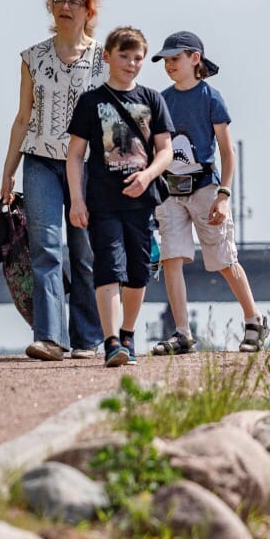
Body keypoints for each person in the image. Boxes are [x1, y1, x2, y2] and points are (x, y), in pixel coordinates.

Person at [0, 0, 107, 362]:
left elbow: (114, 121)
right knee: (44, 247)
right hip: (40, 161)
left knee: (84, 252)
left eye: (73, 2)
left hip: (90, 167)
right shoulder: (32, 58)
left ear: (87, 10)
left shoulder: (105, 59)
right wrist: (8, 170)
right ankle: (49, 337)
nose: (64, 7)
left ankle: (87, 339)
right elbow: (22, 118)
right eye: (58, 1)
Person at [149, 31, 267, 355]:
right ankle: (182, 332)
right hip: (170, 191)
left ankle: (254, 320)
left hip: (205, 188)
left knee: (223, 259)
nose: (169, 65)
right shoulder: (160, 100)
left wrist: (224, 196)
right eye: (166, 60)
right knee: (172, 257)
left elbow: (227, 153)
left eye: (175, 59)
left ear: (194, 59)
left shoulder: (210, 98)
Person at [66, 26, 174, 367]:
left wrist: (148, 175)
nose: (131, 63)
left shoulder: (152, 99)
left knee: (139, 271)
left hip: (142, 202)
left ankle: (127, 333)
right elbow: (74, 155)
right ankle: (112, 342)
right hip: (103, 201)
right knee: (108, 269)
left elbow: (166, 150)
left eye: (138, 58)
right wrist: (77, 201)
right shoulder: (91, 101)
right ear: (108, 56)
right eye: (124, 56)